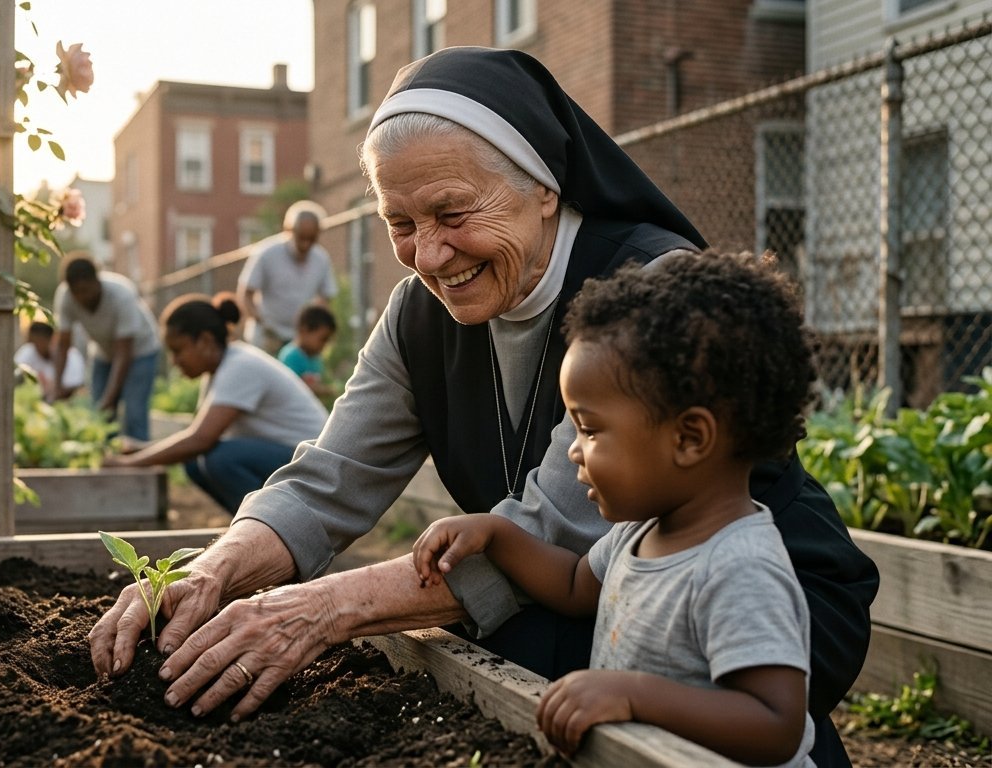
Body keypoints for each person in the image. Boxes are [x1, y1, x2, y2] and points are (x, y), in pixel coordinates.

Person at [88, 47, 878, 766]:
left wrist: (321, 609)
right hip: (591, 589)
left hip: (757, 603)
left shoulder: (646, 289)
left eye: (453, 213)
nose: (429, 256)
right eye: (400, 224)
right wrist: (214, 569)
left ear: (543, 189)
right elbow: (330, 477)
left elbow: (563, 527)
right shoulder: (416, 314)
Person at [414, 252, 817, 765]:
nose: (574, 450)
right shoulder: (642, 531)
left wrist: (633, 695)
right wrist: (497, 534)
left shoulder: (740, 565)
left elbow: (775, 724)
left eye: (590, 428)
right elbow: (576, 584)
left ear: (690, 438)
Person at [103, 293, 327, 513]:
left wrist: (131, 463)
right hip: (293, 456)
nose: (175, 361)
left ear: (205, 341)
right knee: (194, 461)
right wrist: (140, 449)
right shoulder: (221, 370)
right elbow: (194, 437)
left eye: (178, 350)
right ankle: (253, 524)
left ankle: (272, 526)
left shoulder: (239, 366)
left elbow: (201, 440)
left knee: (219, 459)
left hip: (316, 466)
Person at [52, 256, 160, 441]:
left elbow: (123, 352)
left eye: (86, 290)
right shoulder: (66, 296)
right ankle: (107, 460)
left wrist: (110, 398)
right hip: (103, 353)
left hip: (141, 351)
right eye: (77, 292)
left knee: (134, 411)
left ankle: (139, 462)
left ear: (97, 280)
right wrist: (57, 387)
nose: (82, 297)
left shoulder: (122, 295)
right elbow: (63, 344)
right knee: (101, 415)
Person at [237, 200, 338, 355]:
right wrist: (261, 322)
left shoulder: (321, 259)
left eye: (311, 239)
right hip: (266, 336)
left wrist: (314, 330)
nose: (305, 245)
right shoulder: (267, 253)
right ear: (288, 230)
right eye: (301, 237)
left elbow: (325, 297)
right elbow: (246, 293)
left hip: (299, 340)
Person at [14, 320, 85, 401]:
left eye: (39, 342)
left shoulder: (73, 357)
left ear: (52, 339)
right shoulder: (29, 351)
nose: (35, 346)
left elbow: (74, 389)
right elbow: (15, 374)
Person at [277, 305, 337, 400]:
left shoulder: (315, 358)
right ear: (304, 331)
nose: (325, 344)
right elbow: (291, 388)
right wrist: (322, 390)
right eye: (323, 339)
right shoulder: (291, 356)